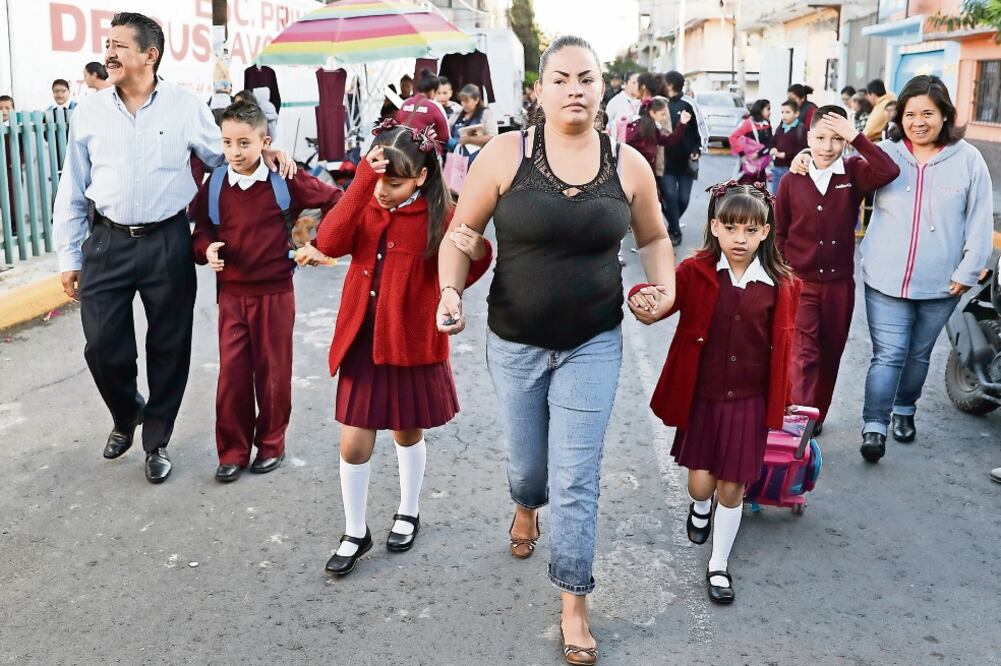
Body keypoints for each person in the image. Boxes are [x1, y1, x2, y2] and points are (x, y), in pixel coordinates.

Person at [436, 35, 677, 664]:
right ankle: (524, 504)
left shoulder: (628, 165)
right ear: (539, 91)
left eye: (587, 78)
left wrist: (666, 288)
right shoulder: (504, 154)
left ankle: (574, 601)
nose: (575, 89)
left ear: (603, 89)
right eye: (562, 79)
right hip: (515, 342)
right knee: (529, 468)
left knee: (576, 477)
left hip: (592, 342)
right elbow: (462, 233)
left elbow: (654, 237)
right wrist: (450, 290)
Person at [52, 12, 294, 484]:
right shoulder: (90, 111)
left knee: (169, 345)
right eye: (108, 44)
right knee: (102, 345)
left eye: (119, 46)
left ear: (150, 54)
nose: (109, 53)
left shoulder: (184, 106)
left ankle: (156, 441)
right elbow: (72, 187)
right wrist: (69, 255)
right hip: (107, 240)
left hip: (167, 240)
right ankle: (128, 411)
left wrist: (263, 152)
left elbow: (222, 156)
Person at [303, 121, 493, 575]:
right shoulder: (363, 201)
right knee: (353, 442)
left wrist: (476, 252)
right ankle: (355, 531)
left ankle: (408, 510)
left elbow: (468, 268)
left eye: (395, 182)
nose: (384, 191)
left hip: (409, 341)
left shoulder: (441, 215)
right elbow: (328, 242)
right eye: (379, 179)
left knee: (407, 432)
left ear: (422, 177)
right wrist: (361, 182)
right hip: (362, 340)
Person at [791, 75, 993, 462]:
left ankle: (904, 408)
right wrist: (806, 156)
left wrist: (967, 271)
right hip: (885, 279)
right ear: (899, 116)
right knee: (888, 355)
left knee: (918, 356)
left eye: (928, 113)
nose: (918, 122)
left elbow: (980, 219)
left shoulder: (968, 159)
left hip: (942, 283)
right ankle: (875, 426)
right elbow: (832, 166)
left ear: (945, 115)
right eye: (910, 114)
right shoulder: (885, 153)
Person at [636, 181, 801, 605]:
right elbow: (661, 298)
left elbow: (786, 347)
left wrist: (784, 399)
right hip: (704, 398)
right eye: (731, 228)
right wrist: (642, 298)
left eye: (750, 230)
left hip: (750, 401)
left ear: (765, 232)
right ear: (714, 227)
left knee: (732, 488)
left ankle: (719, 565)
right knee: (701, 484)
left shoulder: (782, 283)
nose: (740, 238)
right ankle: (699, 507)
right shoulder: (696, 271)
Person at [189, 101, 343, 482]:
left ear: (265, 142)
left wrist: (318, 244)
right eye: (227, 143)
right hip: (231, 296)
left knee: (273, 373)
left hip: (275, 294)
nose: (235, 152)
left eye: (244, 143)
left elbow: (336, 201)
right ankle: (233, 452)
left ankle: (272, 444)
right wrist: (206, 250)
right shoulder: (215, 185)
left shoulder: (284, 179)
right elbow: (201, 232)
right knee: (233, 377)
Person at [774, 106, 900, 431]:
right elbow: (779, 232)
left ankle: (816, 416)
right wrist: (783, 274)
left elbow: (889, 170)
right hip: (800, 284)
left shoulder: (853, 172)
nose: (827, 147)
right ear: (808, 138)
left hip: (839, 286)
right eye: (819, 138)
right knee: (803, 355)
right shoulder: (791, 180)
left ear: (845, 141)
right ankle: (798, 424)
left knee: (830, 354)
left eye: (836, 139)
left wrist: (856, 137)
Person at [625, 97, 691, 245]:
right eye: (662, 114)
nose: (665, 117)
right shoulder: (641, 126)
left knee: (653, 205)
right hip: (641, 174)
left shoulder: (650, 127)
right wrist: (644, 159)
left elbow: (667, 140)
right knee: (650, 205)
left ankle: (661, 232)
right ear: (652, 113)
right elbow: (629, 144)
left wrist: (681, 124)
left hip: (647, 173)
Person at [661, 70, 703, 247]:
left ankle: (672, 225)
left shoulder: (688, 104)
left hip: (686, 162)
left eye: (665, 82)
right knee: (669, 196)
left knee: (683, 199)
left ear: (670, 84)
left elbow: (698, 130)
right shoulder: (660, 103)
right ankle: (676, 231)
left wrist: (696, 149)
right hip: (665, 162)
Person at [396, 69, 449, 155]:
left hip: (401, 150)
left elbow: (397, 124)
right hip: (425, 155)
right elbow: (445, 138)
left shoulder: (405, 103)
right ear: (432, 91)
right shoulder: (435, 106)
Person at [448, 84, 498, 166]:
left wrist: (468, 139)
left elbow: (492, 136)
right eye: (462, 101)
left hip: (478, 158)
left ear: (476, 100)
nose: (464, 104)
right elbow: (448, 131)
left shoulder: (486, 114)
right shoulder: (457, 113)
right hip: (457, 158)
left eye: (467, 101)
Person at [729, 99, 772, 185]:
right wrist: (742, 155)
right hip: (750, 165)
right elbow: (733, 137)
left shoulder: (766, 124)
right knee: (746, 189)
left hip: (762, 165)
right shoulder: (748, 123)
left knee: (760, 190)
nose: (770, 112)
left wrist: (759, 154)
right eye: (768, 109)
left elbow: (770, 143)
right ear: (761, 110)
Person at [769, 99, 807, 195]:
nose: (784, 115)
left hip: (792, 169)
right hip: (777, 167)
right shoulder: (780, 127)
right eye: (782, 112)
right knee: (774, 196)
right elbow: (773, 141)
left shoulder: (801, 129)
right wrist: (773, 148)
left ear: (796, 113)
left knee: (789, 196)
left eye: (787, 112)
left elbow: (803, 149)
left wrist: (786, 155)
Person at [603, 71, 640, 142]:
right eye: (634, 83)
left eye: (639, 82)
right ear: (625, 83)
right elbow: (606, 124)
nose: (637, 86)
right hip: (620, 144)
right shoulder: (615, 101)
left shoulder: (641, 102)